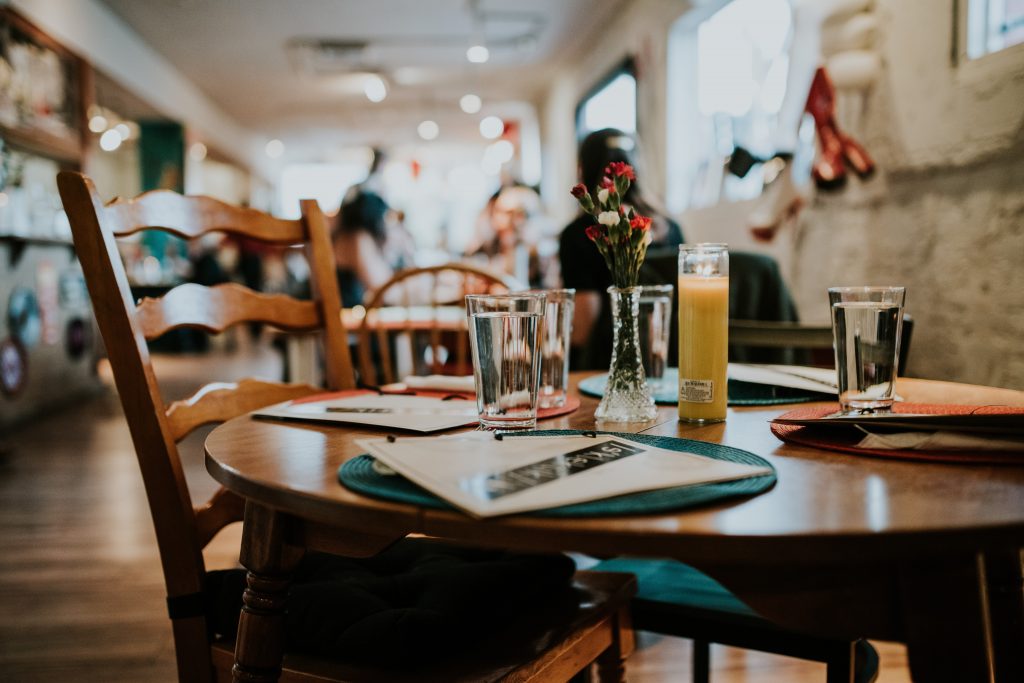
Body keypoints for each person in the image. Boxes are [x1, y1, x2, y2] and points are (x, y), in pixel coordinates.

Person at [559, 128, 684, 370]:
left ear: (582, 168)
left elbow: (583, 331)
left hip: (606, 372)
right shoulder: (671, 228)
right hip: (670, 365)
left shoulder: (579, 234)